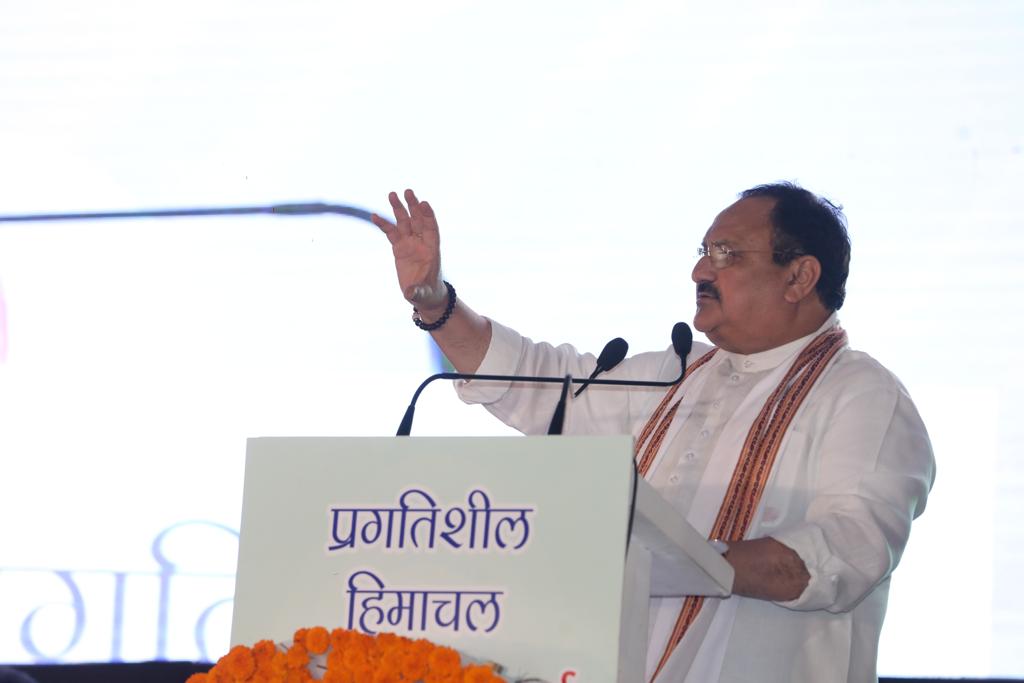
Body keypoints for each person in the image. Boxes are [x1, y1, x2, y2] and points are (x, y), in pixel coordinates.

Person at [371, 184, 935, 683]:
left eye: (726, 255)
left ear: (799, 276)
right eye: (702, 253)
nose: (699, 272)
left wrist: (684, 561)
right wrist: (436, 304)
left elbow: (847, 552)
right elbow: (536, 387)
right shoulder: (675, 374)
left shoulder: (863, 395)